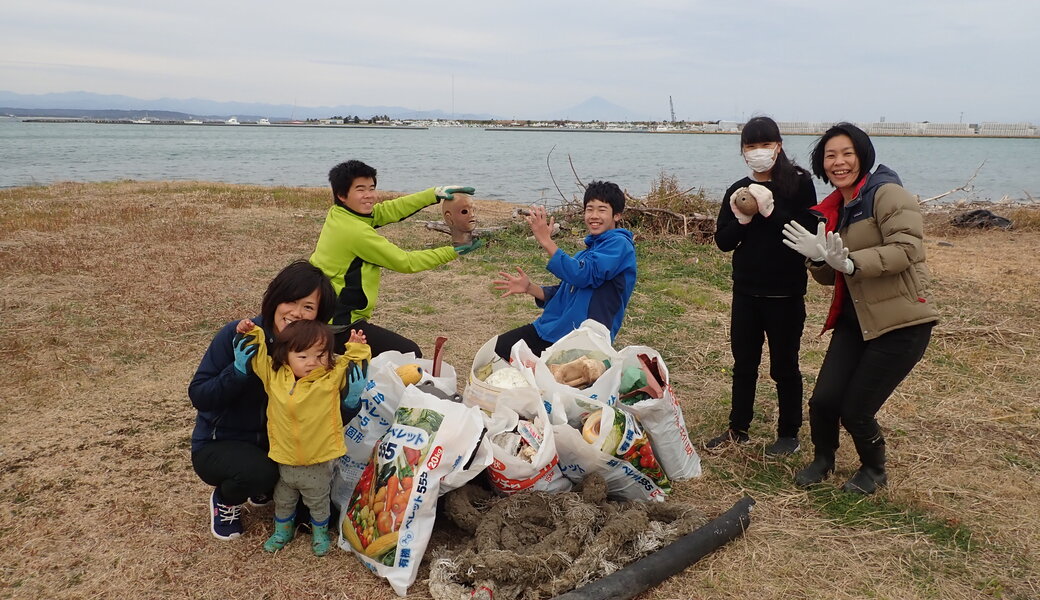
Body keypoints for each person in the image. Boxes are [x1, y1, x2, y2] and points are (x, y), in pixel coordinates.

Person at [782, 122, 938, 494]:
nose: (839, 162)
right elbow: (830, 276)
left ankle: (874, 469)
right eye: (830, 156)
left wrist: (851, 263)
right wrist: (820, 261)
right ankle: (823, 459)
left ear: (863, 156)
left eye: (847, 154)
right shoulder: (836, 208)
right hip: (857, 320)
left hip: (901, 323)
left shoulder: (887, 194)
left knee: (856, 409)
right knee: (823, 401)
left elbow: (906, 249)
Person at [189, 260, 335, 541]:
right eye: (290, 301)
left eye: (308, 307)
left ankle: (266, 488)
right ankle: (226, 499)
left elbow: (329, 409)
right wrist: (238, 372)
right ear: (275, 298)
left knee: (318, 514)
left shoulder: (315, 350)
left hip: (281, 443)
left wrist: (350, 400)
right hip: (221, 442)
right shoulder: (239, 335)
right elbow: (200, 396)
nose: (296, 313)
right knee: (260, 473)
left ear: (319, 314)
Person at [706, 116, 818, 456]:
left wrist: (771, 211)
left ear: (779, 146)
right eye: (751, 146)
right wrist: (742, 220)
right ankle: (737, 428)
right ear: (743, 152)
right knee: (744, 364)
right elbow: (723, 242)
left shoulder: (799, 184)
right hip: (746, 292)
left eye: (765, 144)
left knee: (784, 366)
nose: (759, 152)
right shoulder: (737, 191)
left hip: (785, 292)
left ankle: (788, 434)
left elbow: (806, 231)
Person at [309, 159, 482, 357]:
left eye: (371, 188)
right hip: (338, 325)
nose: (369, 196)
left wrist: (433, 194)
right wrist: (453, 251)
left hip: (325, 313)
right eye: (360, 189)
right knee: (408, 353)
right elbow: (406, 262)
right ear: (342, 195)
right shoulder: (354, 232)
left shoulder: (341, 213)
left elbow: (389, 210)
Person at [233, 318, 370, 556]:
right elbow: (258, 356)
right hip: (284, 459)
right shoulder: (274, 376)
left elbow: (354, 365)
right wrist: (251, 332)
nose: (312, 363)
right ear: (285, 355)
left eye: (320, 355)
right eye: (303, 356)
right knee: (283, 499)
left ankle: (320, 534)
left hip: (318, 459)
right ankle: (282, 531)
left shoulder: (330, 377)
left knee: (318, 502)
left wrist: (357, 348)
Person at [492, 180, 637, 360]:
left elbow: (582, 276)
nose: (594, 215)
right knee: (495, 351)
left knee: (538, 378)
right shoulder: (585, 254)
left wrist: (546, 241)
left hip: (582, 340)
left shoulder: (619, 245)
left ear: (616, 215)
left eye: (602, 209)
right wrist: (530, 288)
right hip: (552, 330)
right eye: (589, 209)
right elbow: (565, 292)